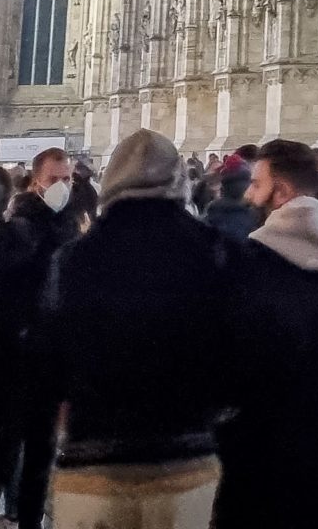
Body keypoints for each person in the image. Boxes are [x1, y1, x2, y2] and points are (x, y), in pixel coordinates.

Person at [41, 131, 228, 529]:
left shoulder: (74, 258)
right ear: (178, 179)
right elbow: (239, 350)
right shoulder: (214, 248)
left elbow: (48, 360)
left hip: (92, 460)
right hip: (185, 457)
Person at [213, 140, 318, 529]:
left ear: (282, 192)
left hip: (261, 443)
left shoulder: (248, 263)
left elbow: (231, 357)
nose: (249, 194)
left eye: (256, 184)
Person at [0, 146, 76, 529]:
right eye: (54, 179)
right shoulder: (17, 230)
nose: (62, 186)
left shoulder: (69, 230)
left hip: (51, 362)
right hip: (15, 359)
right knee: (5, 454)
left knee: (41, 456)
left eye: (67, 179)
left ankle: (29, 522)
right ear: (35, 183)